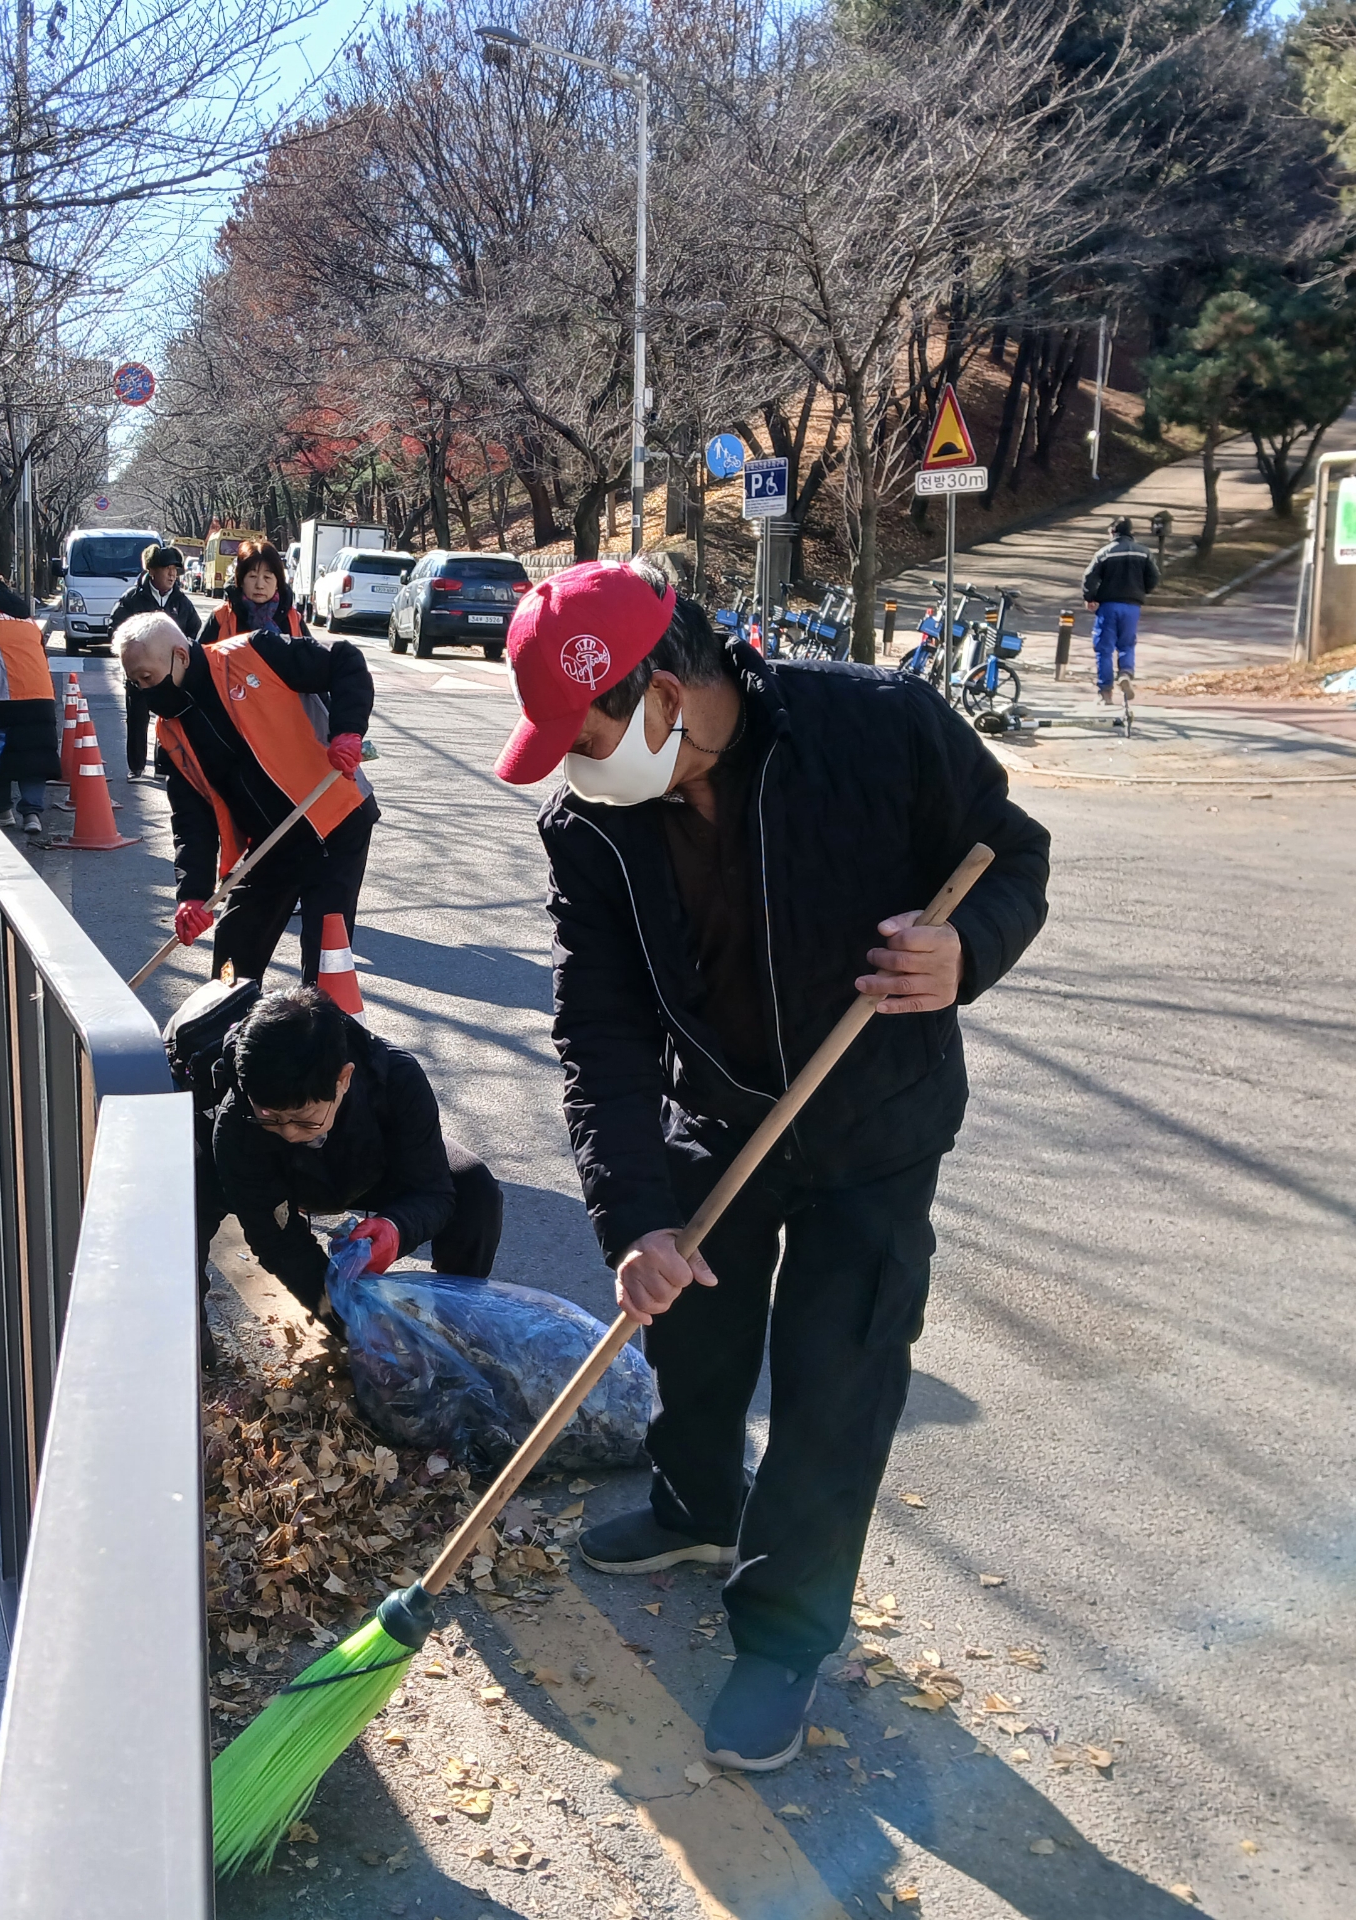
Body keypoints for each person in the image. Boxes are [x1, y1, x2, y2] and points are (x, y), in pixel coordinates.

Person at [493, 557, 1050, 1774]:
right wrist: (634, 1215)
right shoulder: (594, 822)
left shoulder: (874, 727)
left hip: (875, 1128)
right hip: (720, 1112)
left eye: (586, 730)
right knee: (688, 1325)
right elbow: (600, 1025)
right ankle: (696, 1507)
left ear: (664, 688)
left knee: (832, 1384)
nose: (578, 765)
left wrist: (966, 951)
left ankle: (786, 1633)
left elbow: (1010, 856)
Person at [117, 541, 378, 985]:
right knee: (233, 960)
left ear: (180, 656)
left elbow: (346, 663)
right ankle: (221, 1042)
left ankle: (325, 1045)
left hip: (334, 818)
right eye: (134, 683)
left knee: (325, 955)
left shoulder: (255, 652)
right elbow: (191, 819)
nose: (143, 692)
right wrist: (193, 894)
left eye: (147, 678)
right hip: (268, 843)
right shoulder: (171, 731)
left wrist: (347, 730)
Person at [205, 985, 502, 1324]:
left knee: (475, 1187)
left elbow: (433, 1190)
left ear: (343, 1079)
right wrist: (346, 1320)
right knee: (193, 1194)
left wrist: (396, 1228)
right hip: (284, 1181)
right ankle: (190, 1334)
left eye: (304, 1119)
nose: (288, 1132)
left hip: (369, 1165)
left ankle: (457, 1322)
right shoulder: (236, 1123)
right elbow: (277, 1240)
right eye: (271, 1118)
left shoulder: (397, 1078)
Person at [0, 568, 61, 839]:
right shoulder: (26, 619)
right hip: (41, 694)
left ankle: (2, 810)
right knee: (35, 754)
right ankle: (32, 814)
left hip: (3, 695)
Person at [110, 542, 203, 780]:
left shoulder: (181, 602)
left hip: (171, 673)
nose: (172, 574)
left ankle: (164, 765)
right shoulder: (133, 598)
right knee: (137, 717)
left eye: (175, 569)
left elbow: (194, 631)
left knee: (170, 717)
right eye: (166, 568)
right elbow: (115, 627)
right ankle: (136, 766)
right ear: (152, 570)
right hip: (141, 673)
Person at [1079, 517, 1160, 706]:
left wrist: (1090, 598)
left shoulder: (1104, 553)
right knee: (1127, 644)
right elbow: (1154, 576)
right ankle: (1125, 673)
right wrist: (1142, 590)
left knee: (1104, 648)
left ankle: (1105, 692)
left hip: (1108, 605)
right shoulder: (1144, 552)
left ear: (1113, 532)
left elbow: (1089, 577)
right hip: (1132, 606)